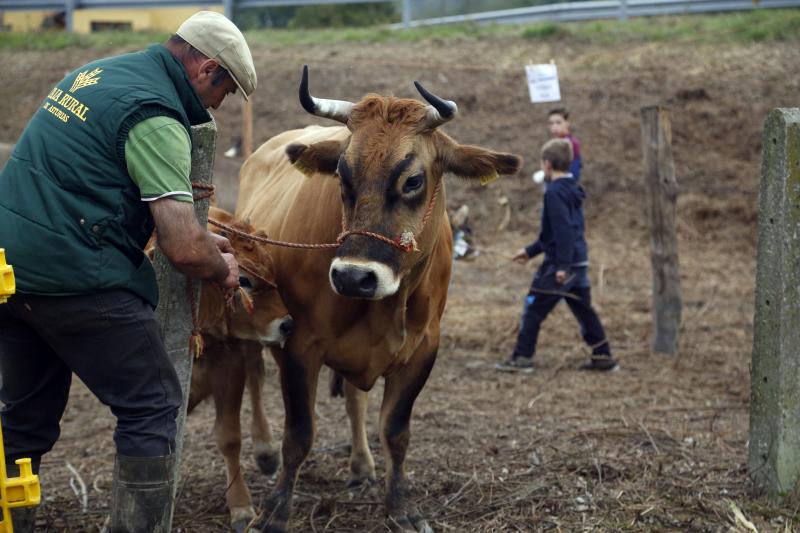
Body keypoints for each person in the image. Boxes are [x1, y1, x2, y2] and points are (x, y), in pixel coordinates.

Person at [0, 11, 256, 532]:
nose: (215, 106)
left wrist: (204, 241)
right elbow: (183, 247)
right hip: (74, 277)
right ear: (207, 69)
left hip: (11, 273)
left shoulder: (95, 74)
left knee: (22, 424)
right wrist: (220, 267)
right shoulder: (157, 116)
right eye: (223, 92)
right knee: (155, 404)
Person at [496, 139, 617, 374]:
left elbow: (564, 232)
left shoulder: (553, 193)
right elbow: (554, 234)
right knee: (584, 310)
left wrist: (561, 266)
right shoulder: (572, 189)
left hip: (562, 266)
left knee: (533, 309)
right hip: (578, 263)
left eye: (542, 165)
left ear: (548, 165)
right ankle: (603, 356)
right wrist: (529, 252)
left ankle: (522, 358)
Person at [547, 107, 582, 181]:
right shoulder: (553, 143)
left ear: (567, 123)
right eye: (551, 123)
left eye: (558, 122)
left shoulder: (571, 143)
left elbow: (574, 173)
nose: (554, 126)